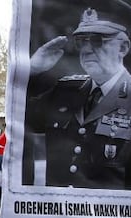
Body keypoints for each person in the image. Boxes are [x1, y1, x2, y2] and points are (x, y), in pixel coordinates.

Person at [24, 8, 131, 189]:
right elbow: (21, 119)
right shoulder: (66, 91)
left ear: (122, 48)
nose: (87, 50)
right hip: (60, 214)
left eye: (98, 41)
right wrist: (32, 71)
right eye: (81, 41)